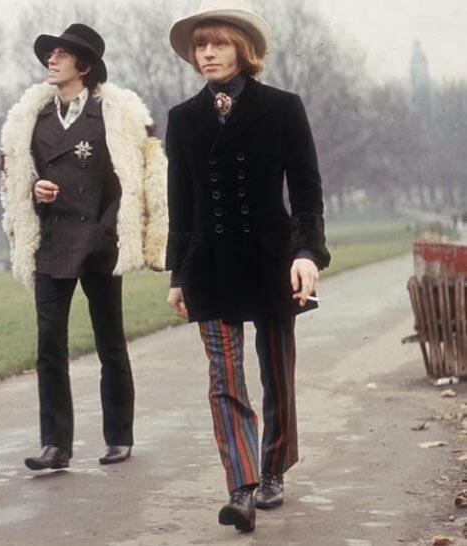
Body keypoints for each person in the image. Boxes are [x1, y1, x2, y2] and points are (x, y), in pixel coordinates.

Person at [165, 0, 331, 532]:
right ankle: (241, 488)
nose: (207, 52)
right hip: (208, 265)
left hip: (271, 260)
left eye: (218, 43)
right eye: (200, 45)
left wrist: (306, 254)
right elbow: (181, 206)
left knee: (277, 372)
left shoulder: (283, 108)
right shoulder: (183, 119)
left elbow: (306, 194)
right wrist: (176, 275)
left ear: (244, 49)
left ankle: (274, 466)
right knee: (224, 377)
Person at [0, 23, 167, 472]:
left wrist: (104, 231)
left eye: (61, 54)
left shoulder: (110, 115)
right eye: (49, 54)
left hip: (99, 243)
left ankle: (119, 436)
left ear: (85, 66)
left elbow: (128, 182)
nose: (50, 61)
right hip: (52, 246)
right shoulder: (32, 118)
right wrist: (37, 190)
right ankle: (56, 444)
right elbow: (19, 176)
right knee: (48, 344)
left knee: (109, 341)